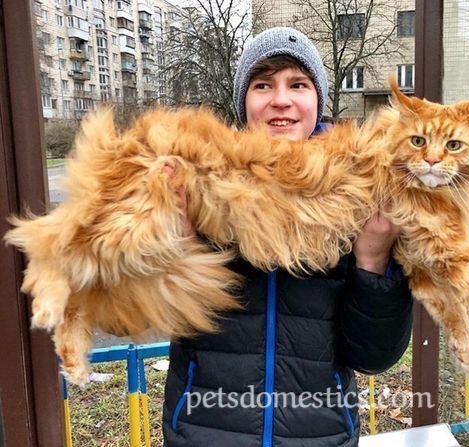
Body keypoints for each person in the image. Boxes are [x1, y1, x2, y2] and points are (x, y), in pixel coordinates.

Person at [162, 27, 413, 447]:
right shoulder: (203, 181)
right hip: (203, 433)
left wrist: (372, 262)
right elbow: (160, 318)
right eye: (263, 84)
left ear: (318, 99)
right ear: (244, 99)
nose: (281, 100)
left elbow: (374, 357)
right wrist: (180, 255)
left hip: (321, 436)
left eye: (298, 84)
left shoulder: (360, 188)